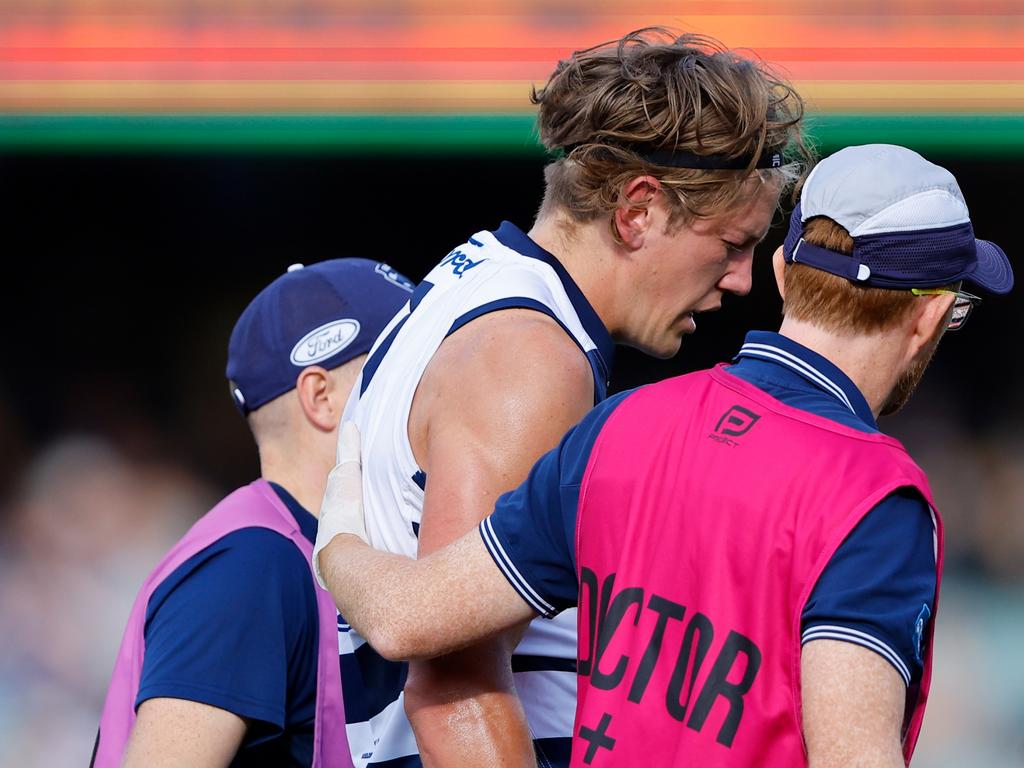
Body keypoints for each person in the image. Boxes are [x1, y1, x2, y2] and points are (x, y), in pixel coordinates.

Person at [314, 144, 1014, 767]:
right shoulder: (875, 496)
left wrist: (339, 530)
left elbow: (404, 618)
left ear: (780, 270)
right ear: (926, 316)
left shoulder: (621, 423)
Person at [313, 28, 809, 768]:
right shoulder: (532, 359)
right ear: (637, 210)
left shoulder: (477, 279)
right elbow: (456, 688)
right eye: (731, 243)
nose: (740, 280)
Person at [92, 259, 414, 767]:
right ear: (321, 398)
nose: (434, 392)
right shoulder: (249, 566)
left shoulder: (335, 548)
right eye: (408, 370)